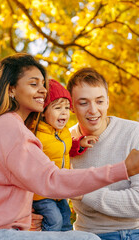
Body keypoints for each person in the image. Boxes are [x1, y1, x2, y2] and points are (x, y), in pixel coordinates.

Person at [0, 53, 139, 240]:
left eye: (43, 84)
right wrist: (124, 169)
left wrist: (27, 215)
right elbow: (52, 180)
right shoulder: (9, 128)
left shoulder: (8, 127)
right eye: (33, 83)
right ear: (11, 90)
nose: (43, 90)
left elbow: (4, 188)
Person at [66, 68, 139, 240]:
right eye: (83, 103)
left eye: (99, 101)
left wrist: (83, 193)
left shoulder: (135, 134)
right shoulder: (66, 142)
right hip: (93, 235)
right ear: (71, 107)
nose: (93, 110)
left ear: (107, 102)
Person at [32, 79, 98, 232]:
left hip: (60, 190)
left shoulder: (64, 133)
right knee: (54, 220)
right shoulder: (37, 135)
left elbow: (66, 148)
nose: (64, 112)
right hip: (42, 193)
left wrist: (80, 144)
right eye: (57, 108)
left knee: (66, 219)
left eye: (67, 108)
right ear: (43, 112)